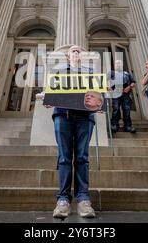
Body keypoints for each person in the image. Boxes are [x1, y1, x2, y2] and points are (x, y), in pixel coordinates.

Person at [46, 45, 97, 219]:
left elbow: (97, 94)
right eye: (73, 51)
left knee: (82, 157)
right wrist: (49, 97)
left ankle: (83, 199)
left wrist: (100, 101)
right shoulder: (59, 70)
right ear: (68, 55)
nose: (76, 53)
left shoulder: (90, 71)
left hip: (84, 117)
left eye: (78, 51)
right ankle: (63, 200)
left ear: (82, 55)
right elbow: (51, 89)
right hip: (63, 115)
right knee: (64, 157)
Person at [108, 60, 136, 133]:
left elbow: (133, 83)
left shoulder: (127, 73)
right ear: (114, 65)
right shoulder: (112, 73)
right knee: (116, 109)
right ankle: (114, 125)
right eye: (117, 64)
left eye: (119, 63)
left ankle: (128, 126)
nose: (118, 65)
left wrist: (129, 87)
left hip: (126, 94)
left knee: (126, 110)